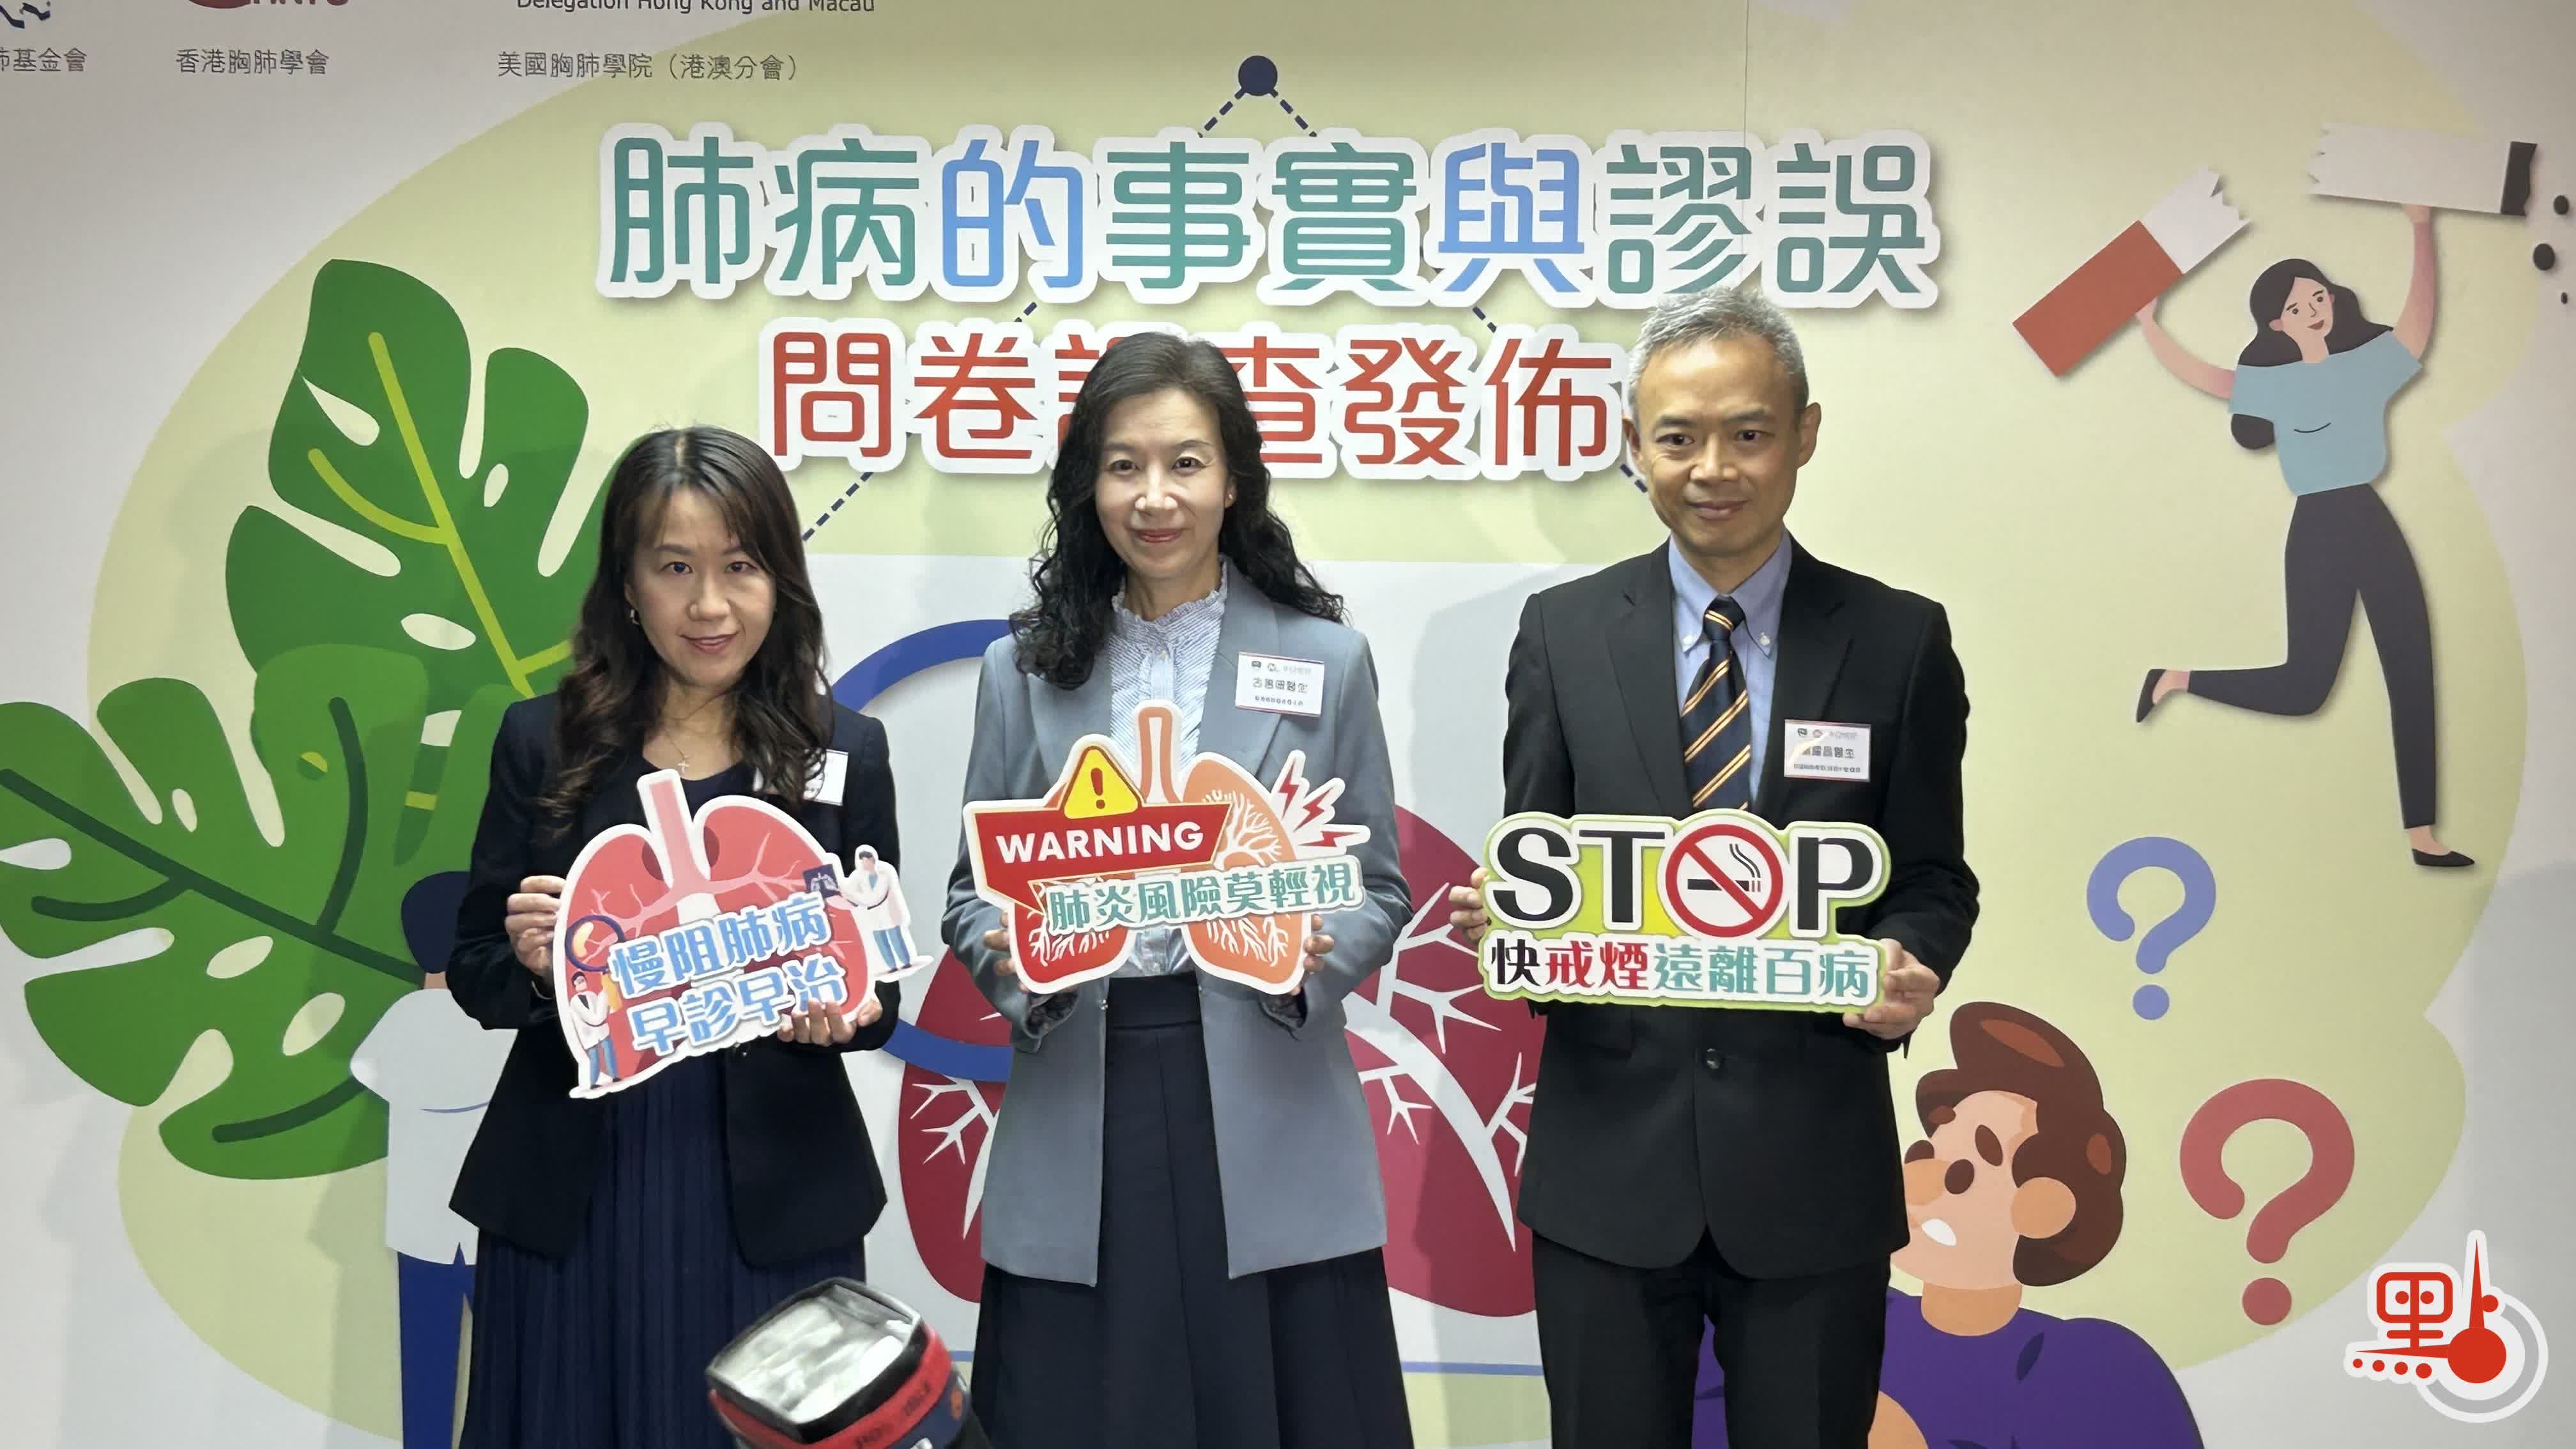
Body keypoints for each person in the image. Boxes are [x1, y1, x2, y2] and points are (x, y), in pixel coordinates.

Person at [1448, 286, 1979, 1448]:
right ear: (1634, 447)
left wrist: (1909, 960)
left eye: (1748, 433)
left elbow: (1935, 876)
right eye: (1678, 438)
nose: (1713, 469)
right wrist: (1518, 921)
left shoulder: (1898, 641)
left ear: (1804, 434)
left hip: (1812, 1169)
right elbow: (1542, 852)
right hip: (1608, 1171)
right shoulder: (1562, 634)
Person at [940, 332, 1416, 1449]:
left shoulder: (1325, 660)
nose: (1154, 497)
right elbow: (971, 892)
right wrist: (1014, 962)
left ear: (1234, 478)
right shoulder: (1023, 668)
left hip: (1266, 1081)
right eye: (1124, 466)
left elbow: (1377, 886)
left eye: (1186, 463)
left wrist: (1311, 959)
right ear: (1087, 485)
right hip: (1084, 1086)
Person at [443, 425, 905, 1449]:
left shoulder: (844, 752)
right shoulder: (542, 741)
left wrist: (847, 1013)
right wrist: (538, 969)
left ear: (780, 578)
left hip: (773, 1200)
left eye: (740, 567)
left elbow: (878, 990)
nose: (710, 606)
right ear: (627, 583)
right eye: (676, 569)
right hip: (580, 1189)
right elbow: (476, 968)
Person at [1692, 1001, 2200, 1448]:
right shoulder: (1827, 1307)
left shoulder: (2082, 1364)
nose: (1924, 1181)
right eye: (1926, 1152)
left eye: (1965, 1169)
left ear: (2043, 1208)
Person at [2131, 204, 2469, 868]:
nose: (2314, 309)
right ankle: (2176, 679)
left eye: (2319, 296)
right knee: (2306, 686)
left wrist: (2420, 229)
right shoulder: (2274, 386)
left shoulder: (2365, 365)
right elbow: (2205, 375)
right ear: (2276, 324)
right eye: (2297, 305)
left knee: (2412, 667)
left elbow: (2417, 325)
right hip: (2317, 528)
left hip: (2370, 517)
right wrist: (2149, 326)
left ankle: (2421, 834)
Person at [350, 974, 512, 1449]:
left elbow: (369, 1070)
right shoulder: (500, 1018)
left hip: (420, 1225)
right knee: (510, 1369)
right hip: (487, 1224)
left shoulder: (407, 1015)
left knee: (426, 1370)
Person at [845, 844, 923, 976]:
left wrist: (858, 897)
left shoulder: (884, 874)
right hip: (872, 914)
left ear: (872, 860)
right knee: (881, 940)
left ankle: (905, 961)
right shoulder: (860, 877)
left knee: (895, 936)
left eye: (867, 861)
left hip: (888, 911)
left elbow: (876, 896)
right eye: (862, 861)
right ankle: (891, 965)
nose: (865, 864)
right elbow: (850, 889)